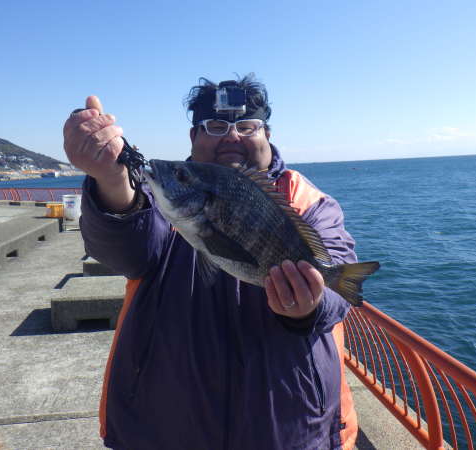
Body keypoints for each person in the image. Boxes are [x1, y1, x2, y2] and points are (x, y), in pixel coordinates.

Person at [63, 74, 360, 450]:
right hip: (164, 429)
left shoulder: (308, 201)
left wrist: (309, 306)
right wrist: (111, 181)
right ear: (193, 138)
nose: (232, 137)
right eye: (216, 126)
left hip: (289, 430)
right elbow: (127, 250)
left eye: (246, 126)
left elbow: (337, 286)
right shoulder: (161, 195)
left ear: (266, 133)